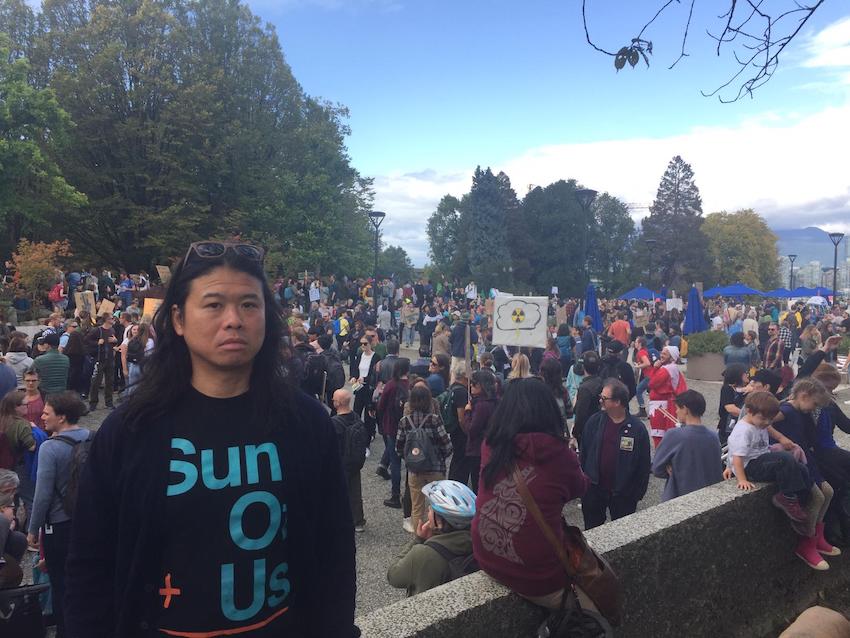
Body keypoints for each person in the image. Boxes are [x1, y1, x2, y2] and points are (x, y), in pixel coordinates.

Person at [64, 241, 357, 637]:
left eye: (249, 305)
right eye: (214, 304)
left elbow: (334, 550)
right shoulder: (131, 431)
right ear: (179, 319)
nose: (233, 320)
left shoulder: (305, 422)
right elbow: (90, 566)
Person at [472, 378, 589, 610]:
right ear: (548, 411)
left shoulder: (491, 445)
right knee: (597, 609)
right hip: (536, 575)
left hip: (485, 554)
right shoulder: (559, 454)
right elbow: (580, 488)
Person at [725, 391, 829, 570]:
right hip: (752, 467)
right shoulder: (743, 429)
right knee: (785, 459)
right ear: (749, 411)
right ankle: (787, 498)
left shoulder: (760, 423)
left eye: (769, 420)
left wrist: (782, 438)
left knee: (801, 468)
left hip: (762, 458)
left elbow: (770, 428)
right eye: (763, 419)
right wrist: (740, 478)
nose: (766, 423)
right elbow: (737, 456)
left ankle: (800, 501)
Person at [27, 392, 89, 636]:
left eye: (47, 412)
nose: (42, 416)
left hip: (60, 525)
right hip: (89, 520)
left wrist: (33, 530)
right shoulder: (92, 437)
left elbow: (42, 495)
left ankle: (67, 629)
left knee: (62, 583)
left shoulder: (50, 448)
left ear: (61, 417)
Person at [771, 377, 841, 564]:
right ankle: (806, 542)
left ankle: (817, 537)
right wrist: (780, 438)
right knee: (817, 497)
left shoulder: (800, 411)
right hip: (795, 458)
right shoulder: (786, 410)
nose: (814, 408)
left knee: (829, 491)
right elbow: (762, 420)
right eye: (814, 403)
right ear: (803, 395)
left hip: (804, 456)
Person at [579, 379, 651, 530]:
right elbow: (584, 453)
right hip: (594, 490)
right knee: (592, 531)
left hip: (623, 494)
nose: (600, 400)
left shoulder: (637, 429)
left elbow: (643, 465)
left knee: (622, 534)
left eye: (604, 398)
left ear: (617, 402)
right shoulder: (594, 422)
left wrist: (637, 493)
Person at [387, 480, 476, 597]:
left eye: (432, 508)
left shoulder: (423, 553)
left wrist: (418, 540)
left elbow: (393, 576)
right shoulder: (479, 543)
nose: (428, 510)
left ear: (439, 522)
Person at [395, 384, 453, 526]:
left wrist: (411, 458)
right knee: (437, 506)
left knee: (417, 506)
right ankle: (436, 535)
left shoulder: (404, 421)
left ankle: (419, 538)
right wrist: (440, 457)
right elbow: (447, 445)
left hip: (415, 470)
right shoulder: (434, 419)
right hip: (436, 468)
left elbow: (399, 447)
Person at [651, 390, 722, 501]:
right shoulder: (713, 436)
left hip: (679, 494)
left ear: (685, 409)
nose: (676, 411)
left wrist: (669, 467)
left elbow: (656, 467)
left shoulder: (674, 435)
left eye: (678, 408)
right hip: (708, 496)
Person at [331, 387, 368, 533]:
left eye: (334, 399)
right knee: (355, 491)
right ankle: (358, 520)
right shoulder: (356, 417)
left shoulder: (334, 423)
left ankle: (338, 520)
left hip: (341, 463)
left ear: (338, 403)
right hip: (355, 460)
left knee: (338, 492)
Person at [377, 358, 410, 508]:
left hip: (392, 427)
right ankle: (409, 495)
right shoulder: (411, 385)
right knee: (410, 463)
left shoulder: (391, 384)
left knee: (395, 462)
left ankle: (395, 495)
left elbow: (381, 405)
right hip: (409, 427)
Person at [462, 369, 498, 492]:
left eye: (474, 383)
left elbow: (471, 429)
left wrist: (467, 412)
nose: (471, 386)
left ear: (482, 386)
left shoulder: (481, 405)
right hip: (491, 447)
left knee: (477, 484)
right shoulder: (495, 402)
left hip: (477, 449)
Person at [647, 345, 687, 446]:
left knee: (659, 434)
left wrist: (655, 367)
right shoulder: (672, 368)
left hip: (661, 407)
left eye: (665, 354)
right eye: (662, 353)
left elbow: (652, 383)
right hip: (663, 405)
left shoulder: (666, 369)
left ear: (671, 357)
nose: (661, 355)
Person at [84, 314, 117, 410]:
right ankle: (93, 403)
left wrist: (115, 340)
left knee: (110, 381)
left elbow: (114, 342)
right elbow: (86, 340)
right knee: (96, 382)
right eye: (111, 318)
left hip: (110, 359)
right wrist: (97, 342)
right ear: (106, 320)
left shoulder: (112, 330)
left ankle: (109, 402)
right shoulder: (97, 330)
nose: (113, 320)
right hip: (100, 359)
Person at [571, 351, 603, 447]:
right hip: (600, 427)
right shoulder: (602, 382)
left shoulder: (584, 388)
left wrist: (575, 433)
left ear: (583, 367)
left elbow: (580, 414)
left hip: (588, 430)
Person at [717, 364, 748, 445]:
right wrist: (749, 416)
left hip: (740, 426)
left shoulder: (746, 388)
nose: (747, 375)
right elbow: (730, 408)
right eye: (745, 373)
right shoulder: (727, 388)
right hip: (728, 427)